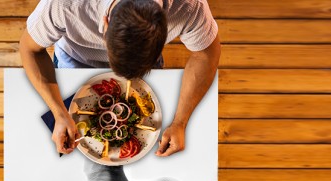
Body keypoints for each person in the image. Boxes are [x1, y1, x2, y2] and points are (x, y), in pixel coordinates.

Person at [20, 0, 221, 156]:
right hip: (74, 60)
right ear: (105, 22)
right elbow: (29, 49)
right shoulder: (63, 5)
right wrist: (59, 113)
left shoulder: (189, 6)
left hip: (147, 69)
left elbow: (206, 54)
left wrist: (180, 123)